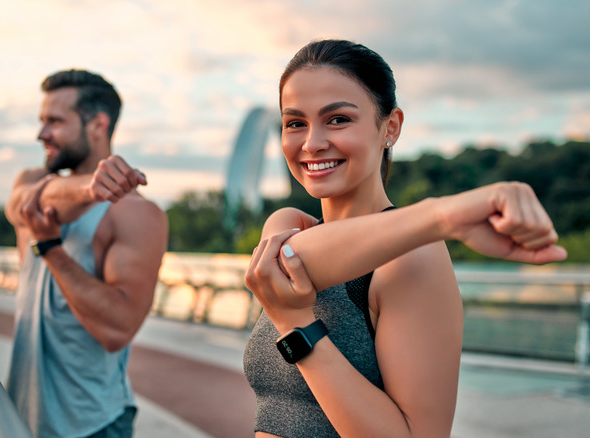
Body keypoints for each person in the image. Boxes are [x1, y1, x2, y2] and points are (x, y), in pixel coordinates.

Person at [242, 39, 567, 438]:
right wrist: (442, 216)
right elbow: (293, 261)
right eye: (295, 123)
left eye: (338, 119)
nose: (312, 142)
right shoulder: (289, 224)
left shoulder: (415, 259)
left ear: (389, 128)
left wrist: (299, 330)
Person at [4, 69, 168, 438]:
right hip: (19, 416)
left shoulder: (138, 214)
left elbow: (117, 329)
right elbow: (28, 205)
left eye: (55, 121)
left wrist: (51, 250)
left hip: (93, 426)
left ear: (98, 125)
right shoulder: (30, 183)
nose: (41, 134)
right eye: (41, 121)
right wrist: (91, 189)